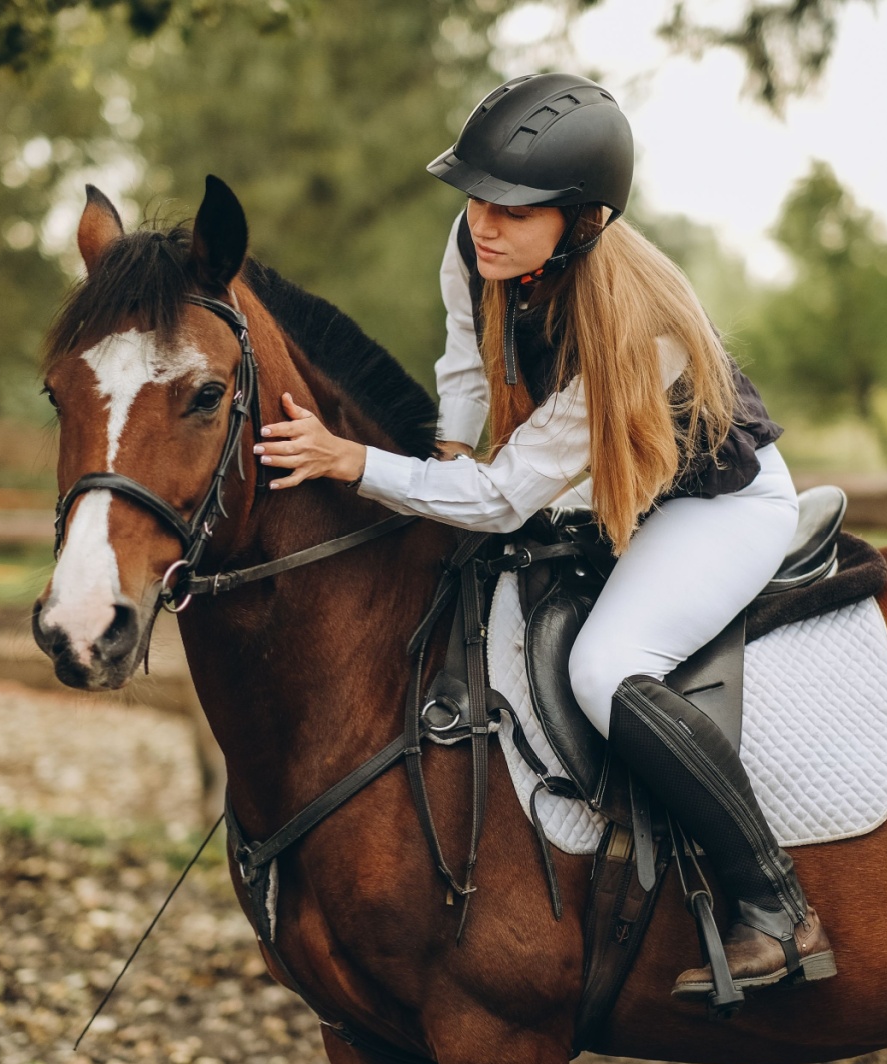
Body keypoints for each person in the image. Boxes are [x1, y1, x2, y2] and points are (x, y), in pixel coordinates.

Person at [254, 72, 834, 999]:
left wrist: (353, 462)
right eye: (478, 198)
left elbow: (503, 498)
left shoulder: (639, 330)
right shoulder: (475, 246)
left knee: (605, 668)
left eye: (514, 211)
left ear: (587, 223)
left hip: (716, 502)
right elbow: (462, 358)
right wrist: (441, 454)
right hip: (607, 490)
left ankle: (774, 905)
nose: (485, 223)